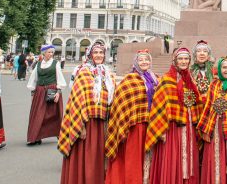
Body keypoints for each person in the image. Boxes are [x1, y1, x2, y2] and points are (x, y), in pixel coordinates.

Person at [58, 42, 115, 184]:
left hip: (103, 122)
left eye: (101, 53)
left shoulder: (108, 74)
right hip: (87, 123)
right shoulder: (83, 72)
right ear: (90, 55)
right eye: (95, 53)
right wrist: (81, 126)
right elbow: (76, 100)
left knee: (99, 158)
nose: (99, 55)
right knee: (88, 158)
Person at [145, 47, 202, 184]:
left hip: (188, 126)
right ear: (175, 60)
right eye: (180, 59)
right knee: (173, 158)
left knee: (188, 159)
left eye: (186, 59)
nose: (183, 61)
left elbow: (196, 102)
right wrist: (161, 130)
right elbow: (158, 105)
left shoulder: (190, 80)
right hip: (171, 128)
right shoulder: (166, 80)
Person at [105, 49, 158, 184]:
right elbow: (120, 101)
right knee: (134, 157)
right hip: (135, 125)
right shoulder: (129, 79)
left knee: (148, 157)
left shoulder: (154, 78)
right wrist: (124, 122)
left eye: (147, 59)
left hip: (151, 123)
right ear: (136, 62)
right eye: (141, 60)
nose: (144, 62)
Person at [26, 44, 66, 146]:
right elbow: (34, 79)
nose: (51, 54)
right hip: (39, 91)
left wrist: (58, 92)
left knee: (53, 114)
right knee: (37, 114)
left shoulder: (56, 64)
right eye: (49, 52)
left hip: (52, 90)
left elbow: (60, 78)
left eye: (52, 52)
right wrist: (32, 93)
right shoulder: (38, 64)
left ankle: (58, 133)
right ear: (44, 53)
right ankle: (35, 137)